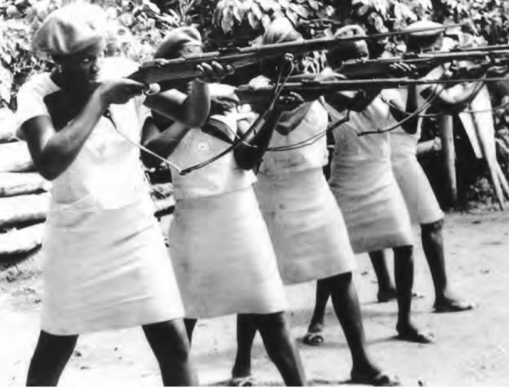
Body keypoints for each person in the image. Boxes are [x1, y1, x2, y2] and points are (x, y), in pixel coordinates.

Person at [15, 3, 230, 386]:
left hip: (134, 229)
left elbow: (192, 116)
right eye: (84, 60)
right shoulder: (36, 92)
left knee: (174, 344)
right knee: (55, 345)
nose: (96, 65)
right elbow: (49, 162)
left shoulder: (118, 70)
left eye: (97, 54)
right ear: (58, 61)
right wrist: (99, 101)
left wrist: (200, 82)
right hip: (76, 236)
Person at [231, 18, 396, 387]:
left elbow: (357, 100)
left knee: (340, 273)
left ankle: (361, 363)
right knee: (258, 285)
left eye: (295, 53)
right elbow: (258, 142)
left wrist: (381, 73)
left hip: (315, 193)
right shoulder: (257, 91)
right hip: (273, 197)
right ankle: (242, 365)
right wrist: (284, 98)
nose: (290, 62)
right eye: (281, 56)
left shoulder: (319, 85)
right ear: (267, 61)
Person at [141, 27, 307, 387]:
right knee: (182, 318)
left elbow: (246, 159)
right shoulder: (154, 104)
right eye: (189, 59)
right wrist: (193, 111)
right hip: (194, 222)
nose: (201, 64)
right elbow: (150, 155)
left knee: (271, 310)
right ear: (167, 66)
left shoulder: (228, 98)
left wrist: (274, 109)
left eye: (203, 55)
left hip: (241, 216)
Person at [303, 25, 435, 347]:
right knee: (333, 255)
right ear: (342, 61)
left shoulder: (381, 84)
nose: (366, 58)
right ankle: (317, 318)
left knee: (404, 246)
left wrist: (414, 80)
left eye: (367, 54)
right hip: (347, 177)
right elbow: (358, 103)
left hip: (381, 173)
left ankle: (405, 322)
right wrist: (382, 79)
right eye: (358, 55)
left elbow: (410, 124)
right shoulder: (328, 84)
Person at [379, 20, 477, 312]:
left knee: (383, 223)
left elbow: (436, 88)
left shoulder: (392, 66)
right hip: (398, 155)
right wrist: (479, 80)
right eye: (437, 45)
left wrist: (460, 74)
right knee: (432, 222)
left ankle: (386, 284)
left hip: (383, 153)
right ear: (429, 47)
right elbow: (450, 105)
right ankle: (442, 293)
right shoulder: (412, 75)